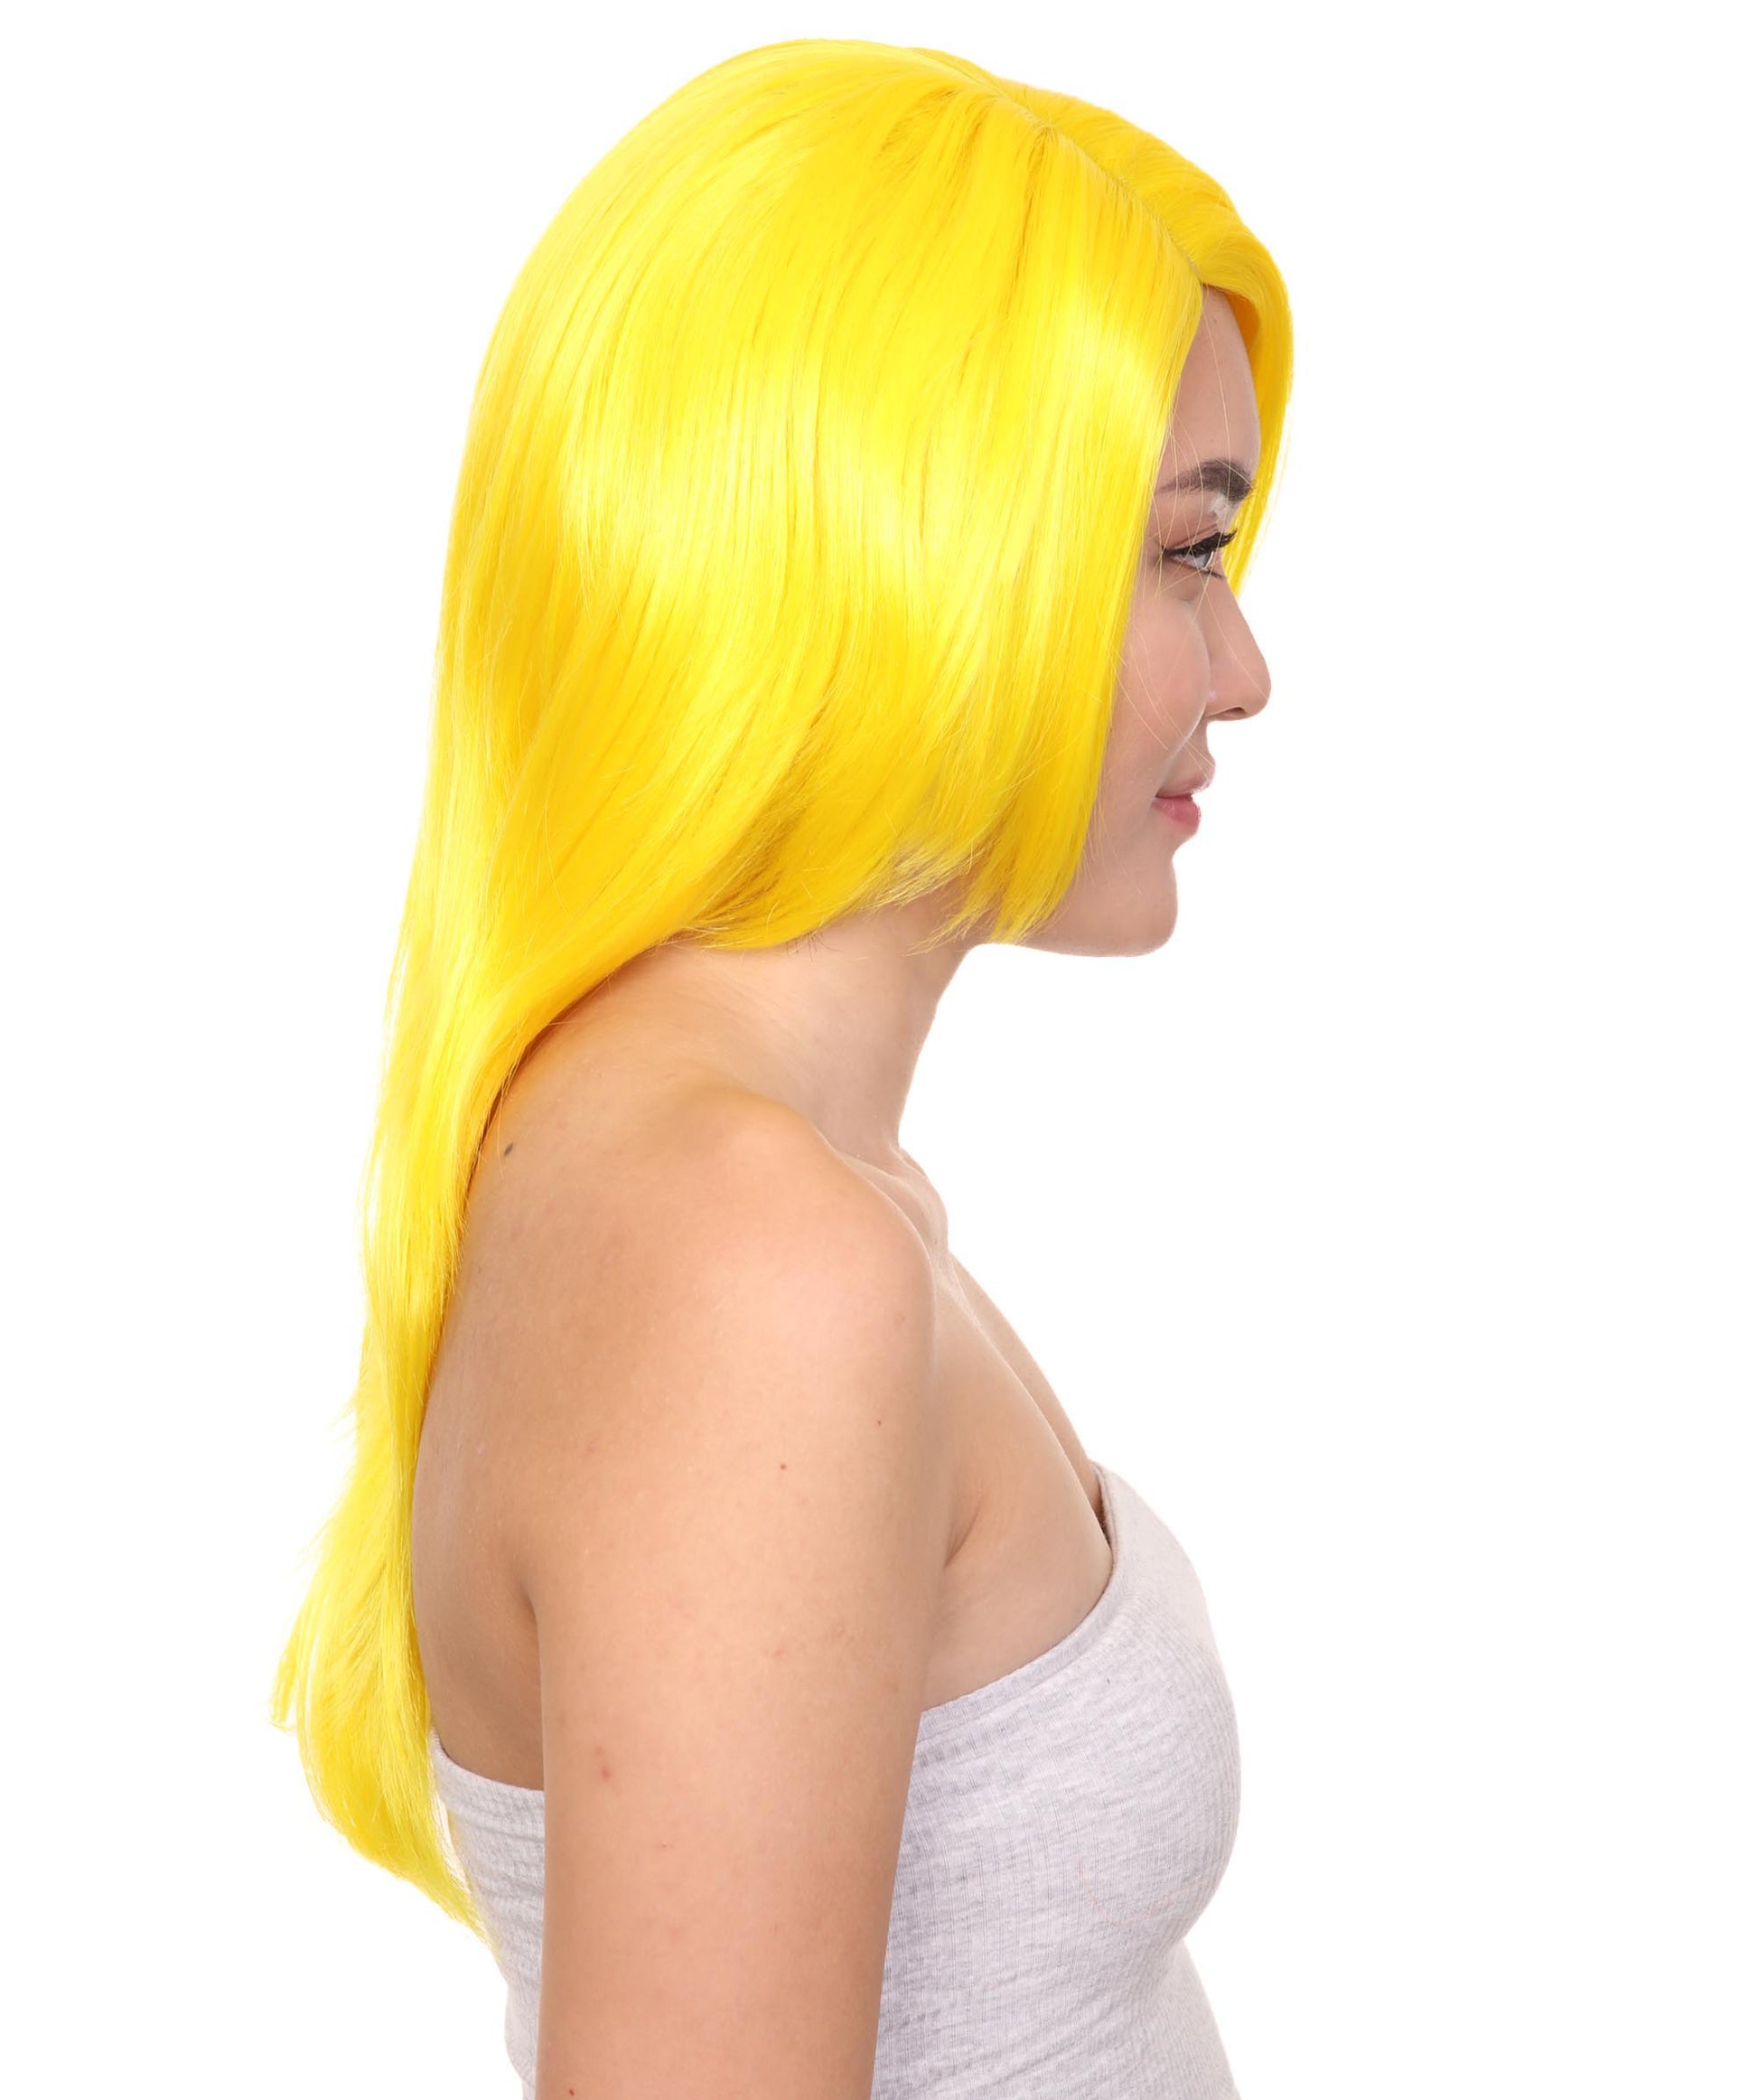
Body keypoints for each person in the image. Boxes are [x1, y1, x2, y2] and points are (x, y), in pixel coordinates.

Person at [272, 36, 1291, 2099]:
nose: (1246, 669)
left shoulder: (772, 1190)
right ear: (915, 559)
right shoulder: (745, 1257)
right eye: (1186, 552)